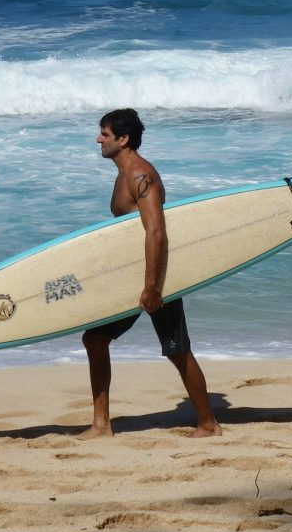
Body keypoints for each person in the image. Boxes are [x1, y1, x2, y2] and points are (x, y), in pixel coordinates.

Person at [79, 108, 221, 437]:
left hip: (157, 277)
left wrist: (153, 287)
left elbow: (156, 231)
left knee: (177, 350)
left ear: (123, 139)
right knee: (95, 339)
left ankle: (208, 423)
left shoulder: (140, 175)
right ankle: (101, 424)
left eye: (104, 134)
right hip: (135, 277)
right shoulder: (124, 174)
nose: (98, 139)